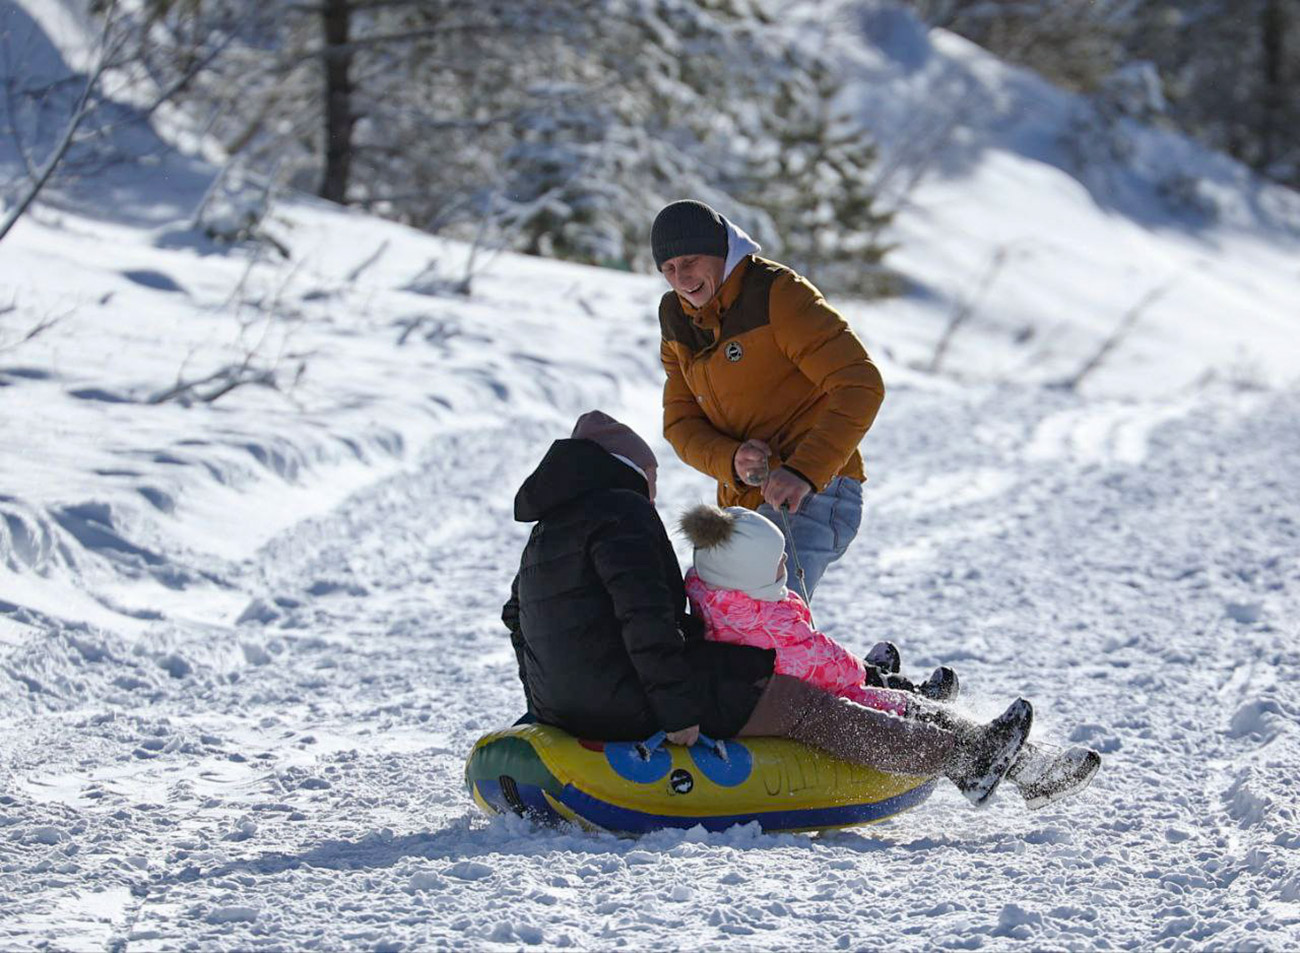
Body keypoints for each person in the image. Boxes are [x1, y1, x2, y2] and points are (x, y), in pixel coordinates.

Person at [502, 411, 1041, 807]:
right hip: (629, 703)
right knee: (802, 705)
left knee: (748, 668)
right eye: (651, 481)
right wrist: (678, 714)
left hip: (569, 706)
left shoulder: (549, 529)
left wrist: (546, 705)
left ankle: (919, 712)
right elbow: (645, 622)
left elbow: (517, 620)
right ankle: (964, 759)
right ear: (630, 473)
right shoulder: (622, 514)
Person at [678, 502, 1103, 809]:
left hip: (774, 687)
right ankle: (1017, 770)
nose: (786, 562)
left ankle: (1009, 755)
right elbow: (817, 662)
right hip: (817, 691)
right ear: (750, 574)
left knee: (904, 701)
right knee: (907, 709)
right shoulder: (763, 620)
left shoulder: (715, 596)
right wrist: (864, 673)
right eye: (777, 561)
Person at [653, 199, 885, 601]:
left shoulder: (778, 294)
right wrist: (730, 459)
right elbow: (680, 424)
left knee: (769, 616)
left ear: (722, 252)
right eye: (669, 269)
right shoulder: (677, 318)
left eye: (691, 260)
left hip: (815, 490)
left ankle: (835, 668)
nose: (682, 277)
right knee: (730, 619)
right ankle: (837, 667)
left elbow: (860, 383)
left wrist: (802, 471)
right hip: (742, 503)